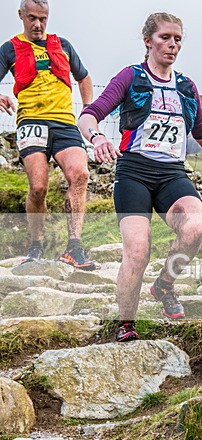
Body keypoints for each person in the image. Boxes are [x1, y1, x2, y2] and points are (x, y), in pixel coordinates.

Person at [78, 12, 202, 342]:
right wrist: (97, 137)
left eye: (177, 39)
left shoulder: (186, 87)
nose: (172, 44)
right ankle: (126, 323)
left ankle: (164, 285)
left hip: (172, 173)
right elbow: (89, 115)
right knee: (137, 252)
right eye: (165, 38)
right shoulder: (131, 77)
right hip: (134, 172)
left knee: (194, 229)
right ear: (148, 41)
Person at [0, 0, 96, 270]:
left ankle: (74, 248)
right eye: (32, 18)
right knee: (39, 187)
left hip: (64, 123)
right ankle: (36, 244)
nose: (38, 24)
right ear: (21, 15)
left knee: (80, 174)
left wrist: (88, 108)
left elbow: (84, 77)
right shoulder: (9, 49)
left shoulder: (63, 45)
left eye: (43, 18)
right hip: (31, 122)